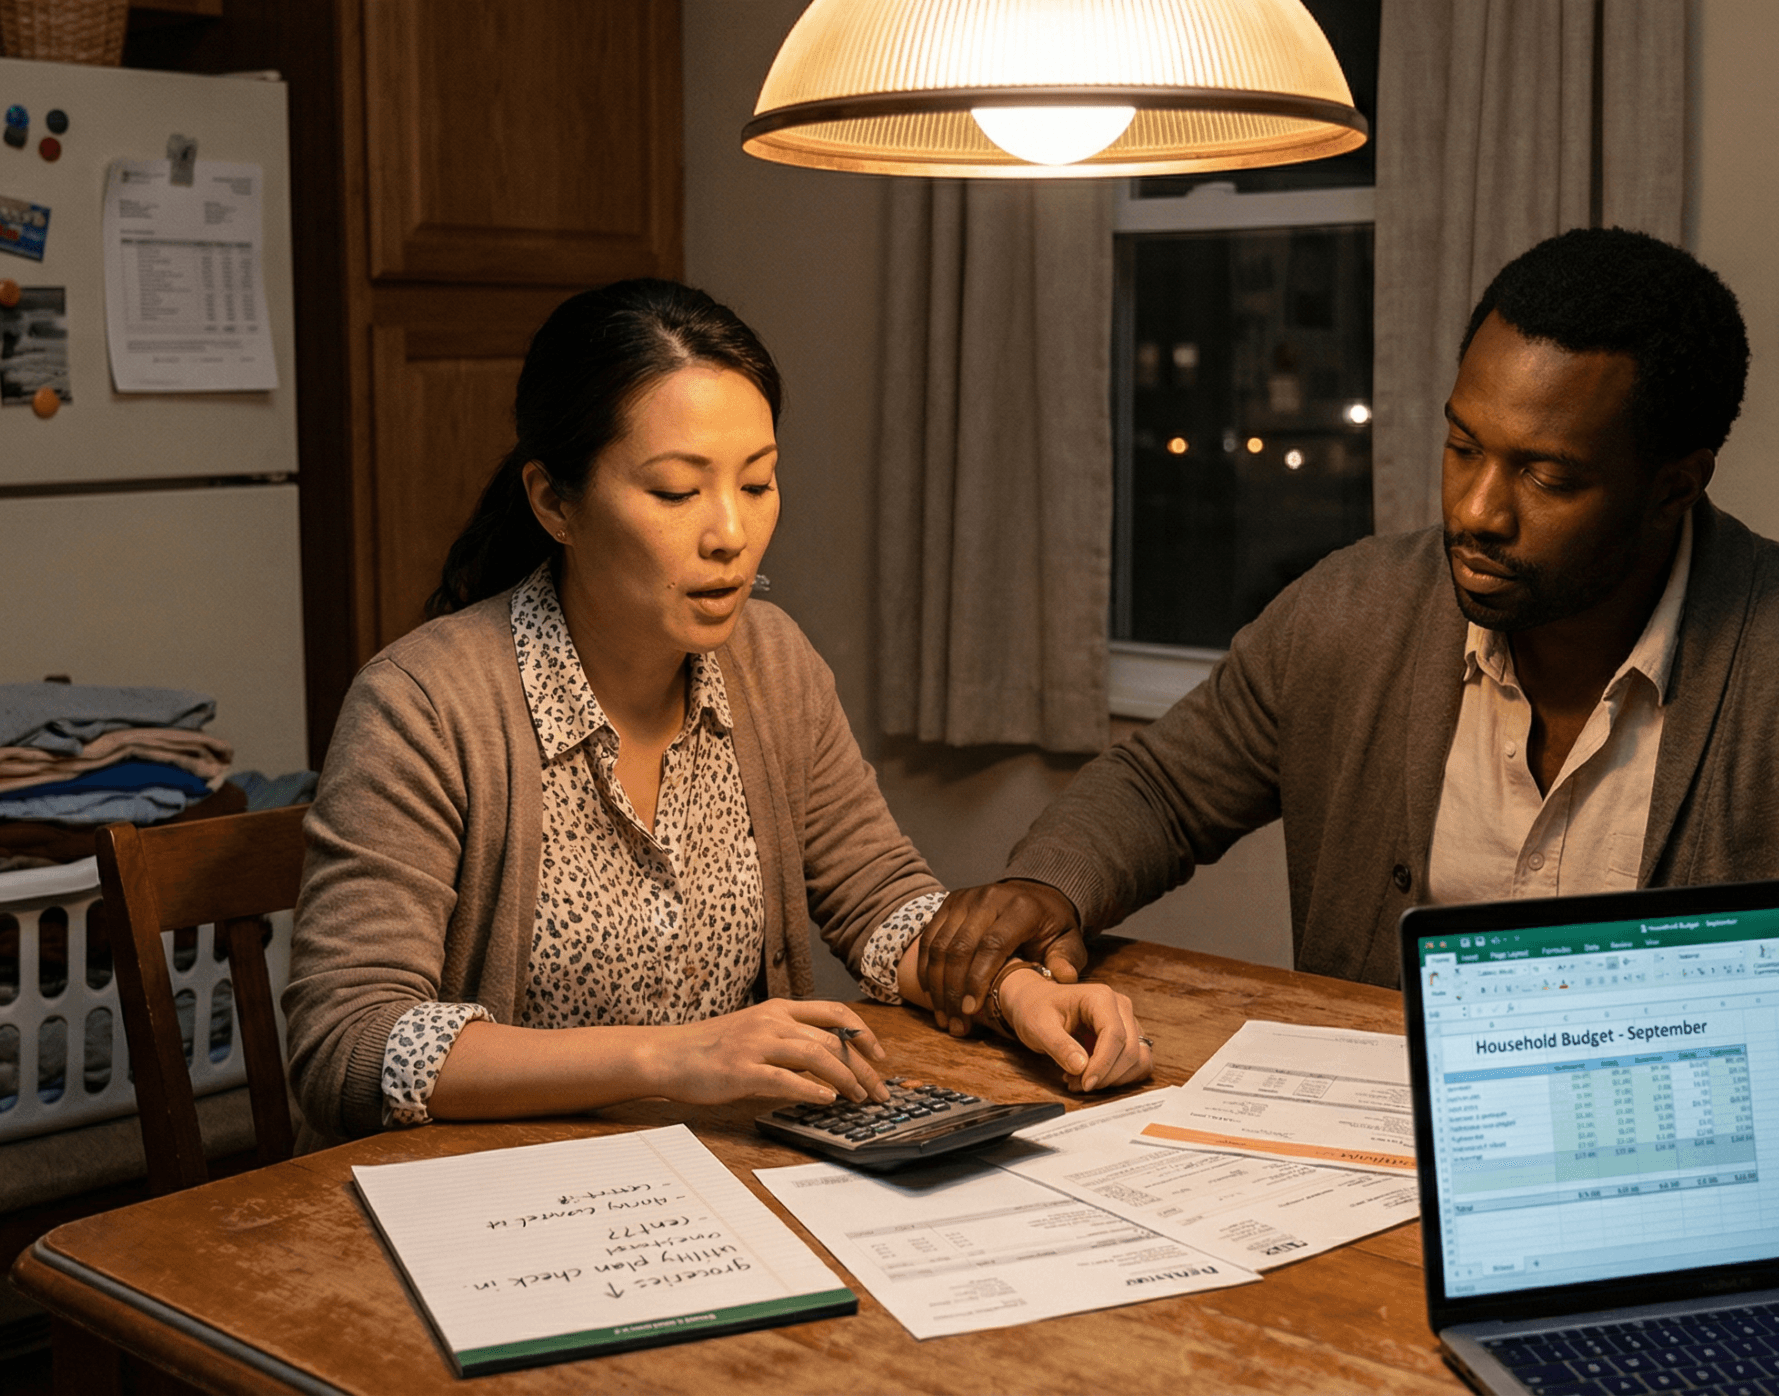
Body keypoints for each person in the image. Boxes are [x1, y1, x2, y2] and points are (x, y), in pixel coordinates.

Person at [916, 228, 1779, 1114]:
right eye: (1460, 444)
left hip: (1683, 1189)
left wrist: (1706, 1037)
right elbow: (1164, 787)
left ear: (1675, 483)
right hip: (1374, 1175)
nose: (1475, 510)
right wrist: (1051, 888)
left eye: (1546, 475)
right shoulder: (1353, 608)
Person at [283, 279, 1152, 1144]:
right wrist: (670, 1058)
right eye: (675, 492)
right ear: (555, 502)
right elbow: (351, 1043)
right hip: (498, 1208)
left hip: (722, 1180)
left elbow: (880, 902)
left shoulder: (771, 662)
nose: (730, 532)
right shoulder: (424, 706)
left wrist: (1014, 989)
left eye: (759, 482)